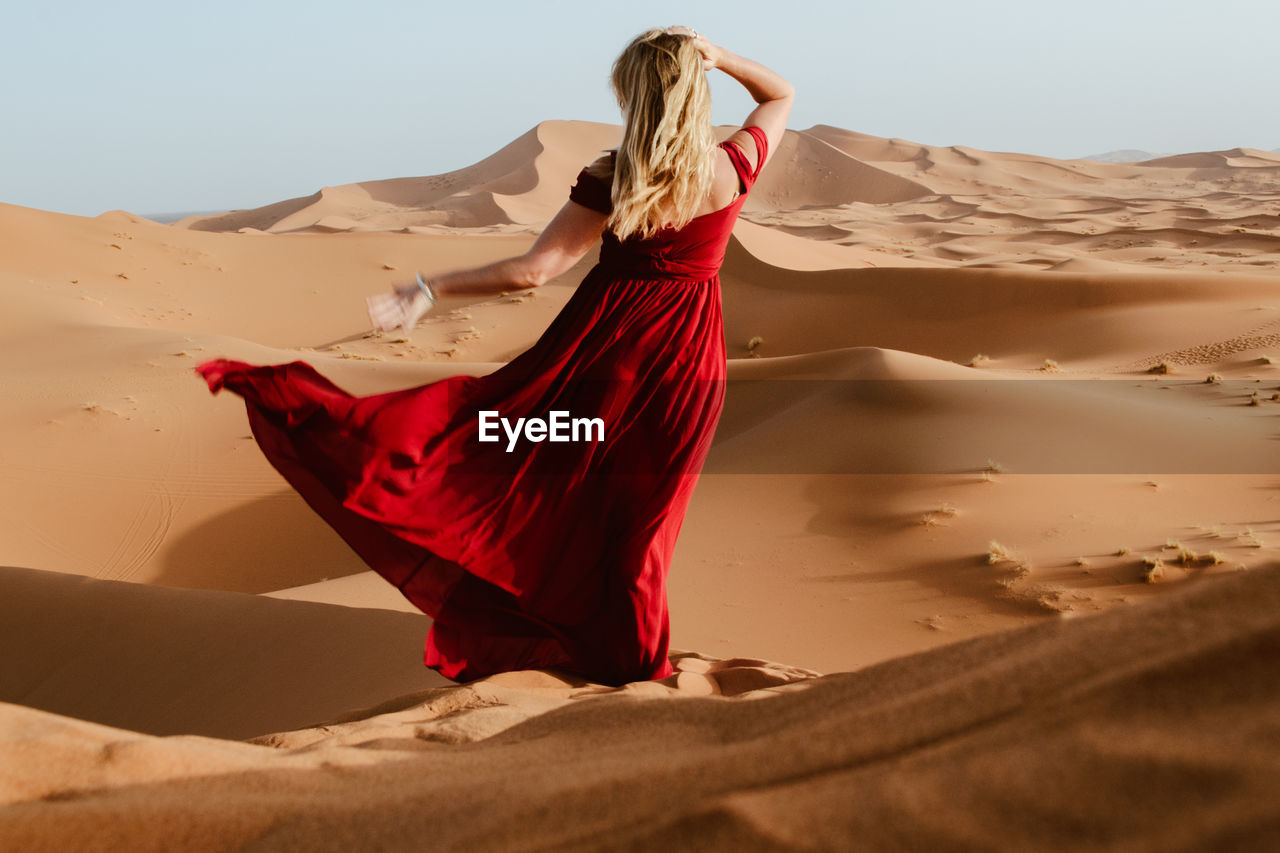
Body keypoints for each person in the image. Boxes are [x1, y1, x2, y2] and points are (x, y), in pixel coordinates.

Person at [195, 27, 794, 686]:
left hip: (599, 367)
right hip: (687, 375)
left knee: (505, 449)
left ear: (635, 96)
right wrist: (722, 55)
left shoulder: (616, 176)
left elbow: (533, 272)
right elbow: (781, 94)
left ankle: (594, 647)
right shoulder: (732, 167)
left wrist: (430, 287)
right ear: (693, 92)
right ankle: (630, 663)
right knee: (643, 523)